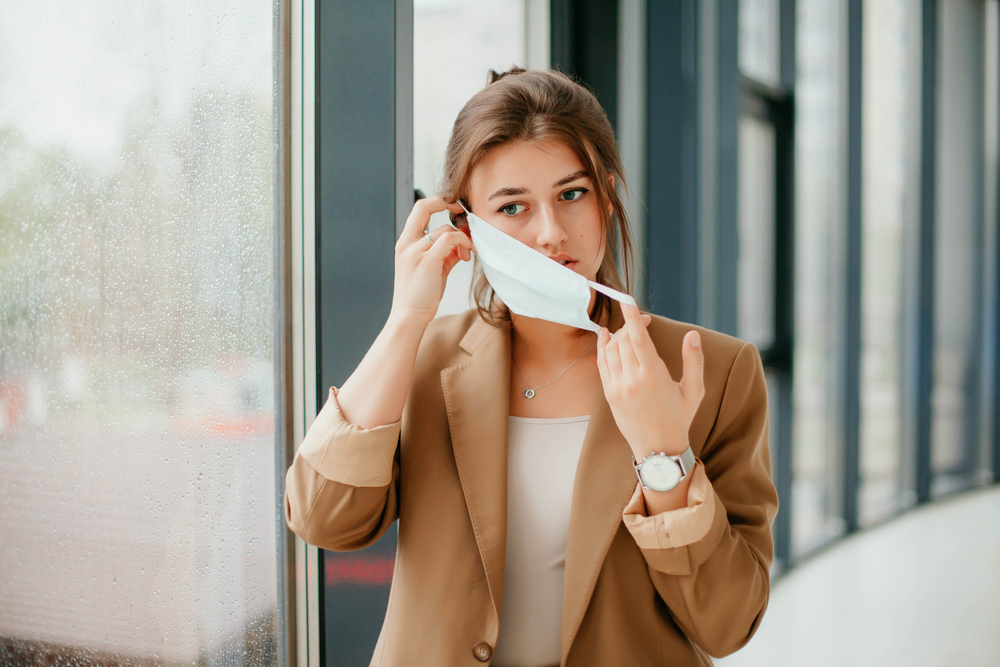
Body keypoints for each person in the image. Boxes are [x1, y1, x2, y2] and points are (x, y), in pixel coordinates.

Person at [284, 67, 778, 666]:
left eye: (573, 194)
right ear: (465, 226)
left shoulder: (714, 371)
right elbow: (324, 519)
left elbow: (728, 622)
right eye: (513, 207)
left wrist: (663, 457)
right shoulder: (424, 360)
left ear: (608, 196)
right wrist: (406, 319)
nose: (550, 233)